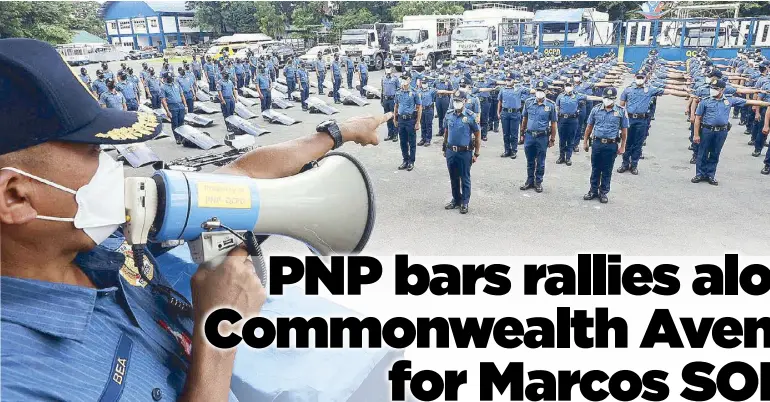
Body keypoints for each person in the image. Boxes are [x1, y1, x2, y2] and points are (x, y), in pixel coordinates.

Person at [0, 38, 389, 402]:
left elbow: (237, 178)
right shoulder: (18, 380)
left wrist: (336, 133)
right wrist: (219, 333)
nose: (111, 168)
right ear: (15, 196)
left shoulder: (92, 235)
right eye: (92, 151)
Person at [692, 79, 770, 185]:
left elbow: (750, 102)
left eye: (716, 88)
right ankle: (699, 174)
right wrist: (696, 134)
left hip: (721, 132)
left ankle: (710, 175)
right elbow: (698, 118)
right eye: (712, 88)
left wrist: (767, 103)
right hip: (707, 130)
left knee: (715, 153)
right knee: (703, 152)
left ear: (722, 90)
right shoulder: (705, 101)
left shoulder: (729, 100)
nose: (713, 90)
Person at [582, 87, 629, 204]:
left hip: (611, 145)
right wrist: (585, 142)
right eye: (606, 98)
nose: (608, 100)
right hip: (597, 143)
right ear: (603, 98)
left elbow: (624, 131)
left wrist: (623, 146)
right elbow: (589, 127)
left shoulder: (621, 111)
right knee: (595, 168)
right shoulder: (596, 109)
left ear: (614, 99)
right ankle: (593, 190)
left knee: (607, 170)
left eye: (610, 98)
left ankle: (603, 192)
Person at [443, 91, 481, 215]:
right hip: (451, 151)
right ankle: (456, 199)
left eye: (459, 101)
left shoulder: (470, 116)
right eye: (455, 100)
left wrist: (476, 153)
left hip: (465, 152)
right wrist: (444, 147)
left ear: (464, 101)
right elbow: (446, 131)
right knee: (453, 177)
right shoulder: (449, 114)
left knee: (465, 177)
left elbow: (477, 134)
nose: (456, 103)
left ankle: (465, 202)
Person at [519, 81, 557, 193]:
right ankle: (529, 181)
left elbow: (553, 123)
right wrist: (522, 134)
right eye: (538, 90)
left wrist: (552, 139)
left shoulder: (550, 105)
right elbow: (524, 119)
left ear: (546, 92)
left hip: (542, 136)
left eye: (542, 91)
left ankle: (538, 182)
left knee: (540, 161)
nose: (539, 93)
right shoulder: (528, 102)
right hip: (529, 135)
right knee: (530, 160)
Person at [393, 74, 422, 171]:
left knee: (412, 142)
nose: (404, 81)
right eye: (403, 79)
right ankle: (405, 160)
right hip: (401, 119)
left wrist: (418, 122)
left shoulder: (414, 92)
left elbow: (419, 107)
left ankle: (411, 161)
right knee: (403, 142)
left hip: (410, 120)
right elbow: (396, 106)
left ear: (409, 80)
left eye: (406, 79)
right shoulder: (398, 92)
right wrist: (394, 118)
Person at [497, 74, 531, 159]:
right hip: (505, 113)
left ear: (514, 80)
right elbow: (499, 102)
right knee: (505, 134)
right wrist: (498, 112)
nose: (508, 81)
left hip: (515, 113)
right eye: (507, 80)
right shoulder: (502, 89)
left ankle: (514, 151)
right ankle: (507, 150)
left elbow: (530, 91)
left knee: (514, 134)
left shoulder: (519, 88)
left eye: (510, 80)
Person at [555, 81, 588, 166]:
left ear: (573, 87)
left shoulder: (577, 95)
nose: (568, 87)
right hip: (562, 119)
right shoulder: (560, 96)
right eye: (567, 86)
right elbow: (557, 107)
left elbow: (587, 97)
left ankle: (568, 158)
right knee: (562, 139)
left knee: (570, 139)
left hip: (573, 120)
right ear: (564, 86)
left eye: (570, 86)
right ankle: (561, 156)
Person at [160, 72, 188, 143]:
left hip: (180, 105)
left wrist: (185, 106)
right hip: (172, 107)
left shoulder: (176, 84)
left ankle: (182, 137)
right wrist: (167, 111)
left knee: (181, 122)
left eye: (171, 77)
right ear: (165, 79)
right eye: (168, 78)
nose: (170, 79)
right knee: (175, 123)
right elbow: (163, 100)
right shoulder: (163, 87)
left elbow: (182, 95)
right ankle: (177, 138)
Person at [381, 64, 400, 142]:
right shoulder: (383, 78)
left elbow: (398, 90)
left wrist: (397, 101)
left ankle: (395, 134)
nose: (388, 70)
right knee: (387, 117)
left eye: (389, 68)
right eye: (386, 68)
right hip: (386, 100)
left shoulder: (395, 79)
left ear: (392, 69)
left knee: (394, 117)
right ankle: (390, 134)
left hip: (393, 100)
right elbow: (382, 90)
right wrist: (382, 100)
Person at [418, 81, 437, 146]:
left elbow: (434, 97)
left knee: (428, 125)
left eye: (425, 83)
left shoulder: (431, 90)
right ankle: (423, 139)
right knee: (422, 125)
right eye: (423, 83)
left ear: (427, 83)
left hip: (429, 109)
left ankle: (428, 139)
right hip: (421, 110)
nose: (424, 84)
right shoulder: (419, 91)